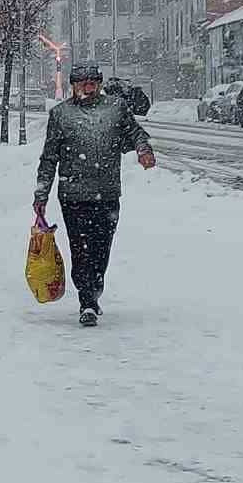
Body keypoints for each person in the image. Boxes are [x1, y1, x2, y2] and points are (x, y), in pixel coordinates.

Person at [33, 64, 155, 327]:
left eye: (93, 82)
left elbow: (136, 133)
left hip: (107, 192)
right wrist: (41, 194)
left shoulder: (116, 108)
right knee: (80, 249)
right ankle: (86, 300)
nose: (89, 87)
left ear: (99, 84)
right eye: (83, 82)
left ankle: (95, 287)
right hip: (73, 195)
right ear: (73, 85)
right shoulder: (61, 114)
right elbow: (49, 157)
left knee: (101, 248)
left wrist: (143, 149)